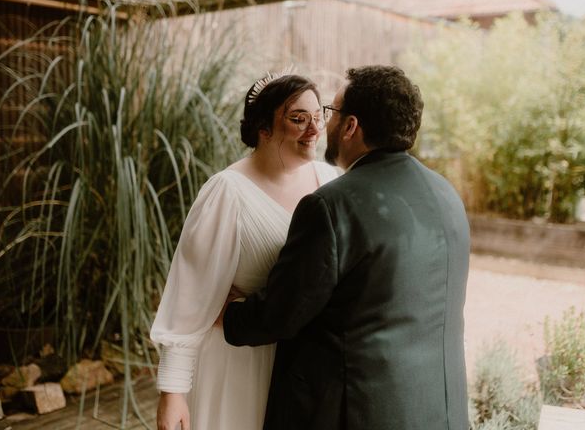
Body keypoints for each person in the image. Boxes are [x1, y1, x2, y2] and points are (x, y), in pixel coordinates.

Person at [223, 65, 470, 430]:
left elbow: (283, 311)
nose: (325, 124)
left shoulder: (331, 205)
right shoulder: (446, 193)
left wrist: (229, 314)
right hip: (438, 413)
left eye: (331, 112)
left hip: (356, 413)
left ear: (351, 126)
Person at [150, 73, 339, 430]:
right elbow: (189, 294)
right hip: (236, 358)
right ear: (263, 128)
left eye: (319, 116)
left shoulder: (330, 181)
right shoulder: (226, 192)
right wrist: (172, 390)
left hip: (303, 363)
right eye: (298, 119)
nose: (314, 129)